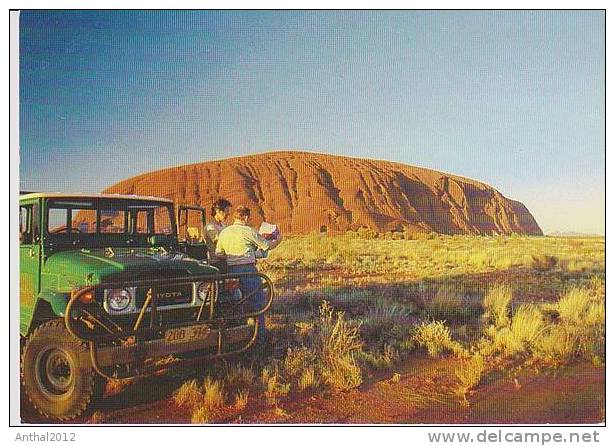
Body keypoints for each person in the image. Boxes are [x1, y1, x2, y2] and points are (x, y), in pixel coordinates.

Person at [215, 205, 282, 344]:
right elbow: (267, 246)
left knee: (236, 305)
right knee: (258, 304)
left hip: (230, 273)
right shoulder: (248, 231)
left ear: (235, 216)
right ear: (245, 217)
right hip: (247, 271)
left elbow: (219, 253)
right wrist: (278, 240)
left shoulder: (224, 232)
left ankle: (238, 339)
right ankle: (259, 340)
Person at [205, 198, 232, 264]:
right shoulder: (210, 227)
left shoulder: (223, 225)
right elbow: (218, 242)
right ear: (218, 211)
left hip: (226, 259)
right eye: (226, 211)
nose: (228, 214)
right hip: (217, 262)